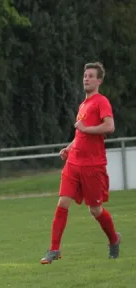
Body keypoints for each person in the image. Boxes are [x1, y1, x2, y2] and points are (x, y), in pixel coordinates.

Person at [41, 62, 121, 264]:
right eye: (85, 75)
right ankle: (54, 249)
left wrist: (86, 129)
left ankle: (113, 239)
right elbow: (81, 134)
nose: (86, 78)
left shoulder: (101, 102)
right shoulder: (83, 105)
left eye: (91, 76)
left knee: (95, 210)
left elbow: (109, 126)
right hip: (74, 162)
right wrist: (69, 147)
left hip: (93, 166)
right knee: (62, 202)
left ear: (99, 80)